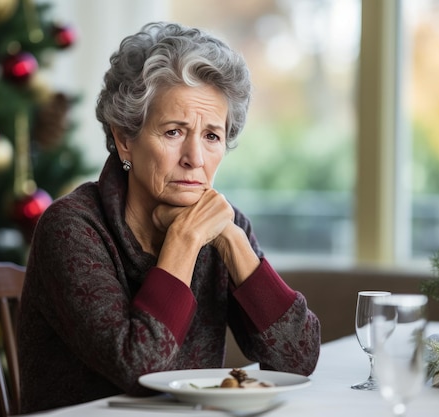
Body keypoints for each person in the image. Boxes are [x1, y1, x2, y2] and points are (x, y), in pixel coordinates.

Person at [17, 21, 321, 414]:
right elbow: (139, 369)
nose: (195, 158)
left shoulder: (222, 225)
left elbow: (298, 361)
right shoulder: (72, 227)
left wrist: (233, 241)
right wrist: (184, 242)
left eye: (212, 136)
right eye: (175, 132)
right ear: (125, 138)